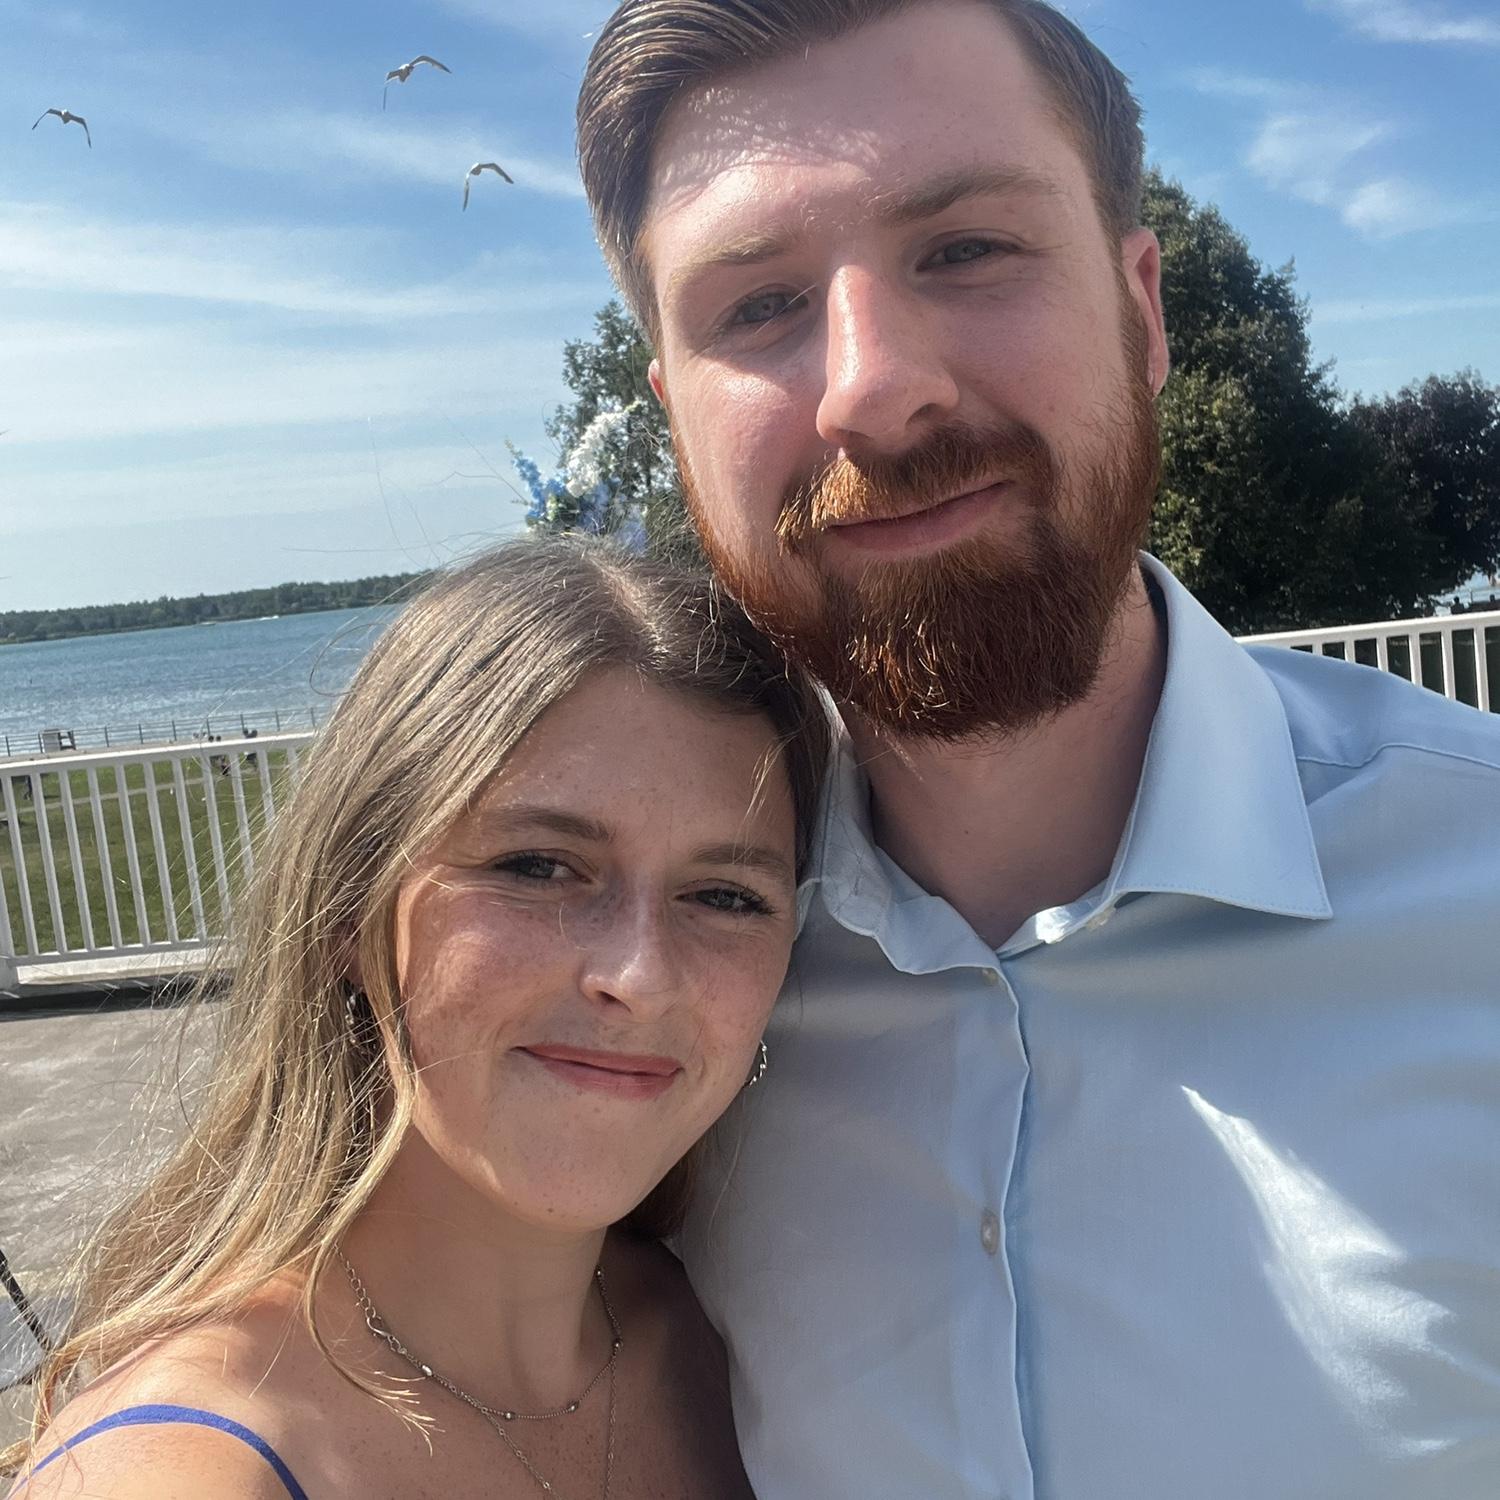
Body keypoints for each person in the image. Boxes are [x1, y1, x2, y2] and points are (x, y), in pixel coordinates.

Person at [575, 2, 1500, 1496]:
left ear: (1144, 310)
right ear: (676, 420)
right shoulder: (626, 1003)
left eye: (965, 249)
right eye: (758, 307)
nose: (873, 386)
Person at [3, 537, 830, 1499]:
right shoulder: (189, 1470)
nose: (639, 977)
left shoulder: (730, 1344)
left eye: (725, 896)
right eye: (537, 867)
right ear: (349, 915)